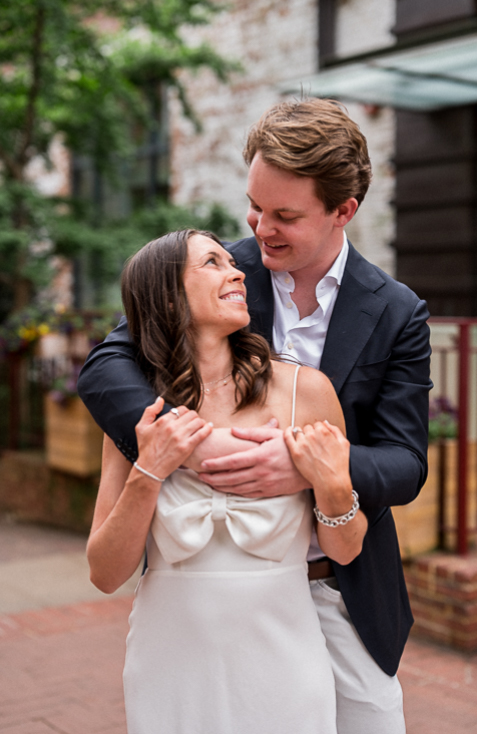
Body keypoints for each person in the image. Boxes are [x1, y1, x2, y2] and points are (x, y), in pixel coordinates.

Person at [78, 98, 431, 733]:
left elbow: (406, 464)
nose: (260, 228)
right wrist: (194, 448)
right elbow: (107, 363)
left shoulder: (397, 311)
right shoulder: (219, 272)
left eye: (285, 215)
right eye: (255, 206)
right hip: (195, 612)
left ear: (342, 211)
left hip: (338, 579)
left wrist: (308, 468)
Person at [88, 229, 363, 731]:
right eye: (212, 263)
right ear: (168, 296)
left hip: (285, 656)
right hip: (167, 660)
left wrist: (333, 485)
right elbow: (105, 573)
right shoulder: (142, 416)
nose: (237, 270)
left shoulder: (307, 392)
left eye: (229, 262)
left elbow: (344, 550)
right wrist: (149, 471)